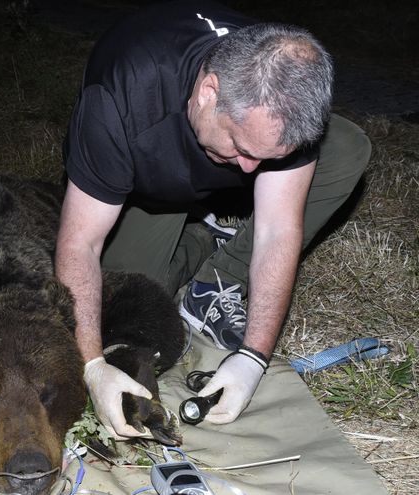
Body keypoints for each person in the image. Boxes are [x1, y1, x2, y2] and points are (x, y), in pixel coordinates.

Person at [54, 0, 370, 441]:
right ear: (208, 92)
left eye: (265, 159)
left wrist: (253, 358)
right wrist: (91, 366)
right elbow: (78, 245)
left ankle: (216, 278)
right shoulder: (118, 99)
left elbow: (278, 230)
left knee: (349, 147)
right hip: (146, 188)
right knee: (131, 302)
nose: (247, 171)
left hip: (223, 143)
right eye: (240, 147)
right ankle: (202, 236)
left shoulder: (284, 100)